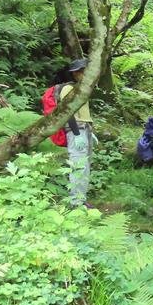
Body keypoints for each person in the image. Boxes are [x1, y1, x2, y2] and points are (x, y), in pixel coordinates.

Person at [59, 58, 97, 208]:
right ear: (75, 73)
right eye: (83, 71)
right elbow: (67, 112)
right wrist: (75, 134)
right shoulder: (68, 90)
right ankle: (76, 203)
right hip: (76, 131)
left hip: (85, 129)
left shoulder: (81, 89)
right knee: (78, 167)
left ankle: (82, 199)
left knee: (85, 166)